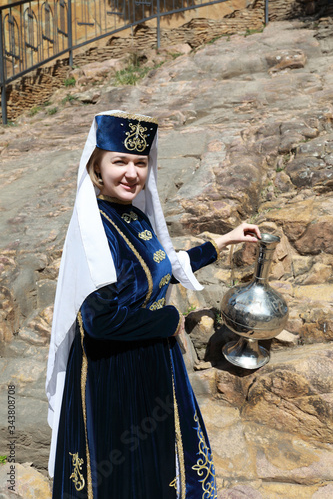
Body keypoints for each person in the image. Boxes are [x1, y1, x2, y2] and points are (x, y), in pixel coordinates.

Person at [46, 110, 261, 499]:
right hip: (113, 373)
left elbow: (163, 266)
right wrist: (169, 319)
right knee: (124, 472)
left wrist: (222, 242)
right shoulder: (93, 227)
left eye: (140, 163)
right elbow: (101, 322)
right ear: (97, 165)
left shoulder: (134, 216)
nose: (132, 173)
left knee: (156, 466)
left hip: (149, 363)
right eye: (120, 161)